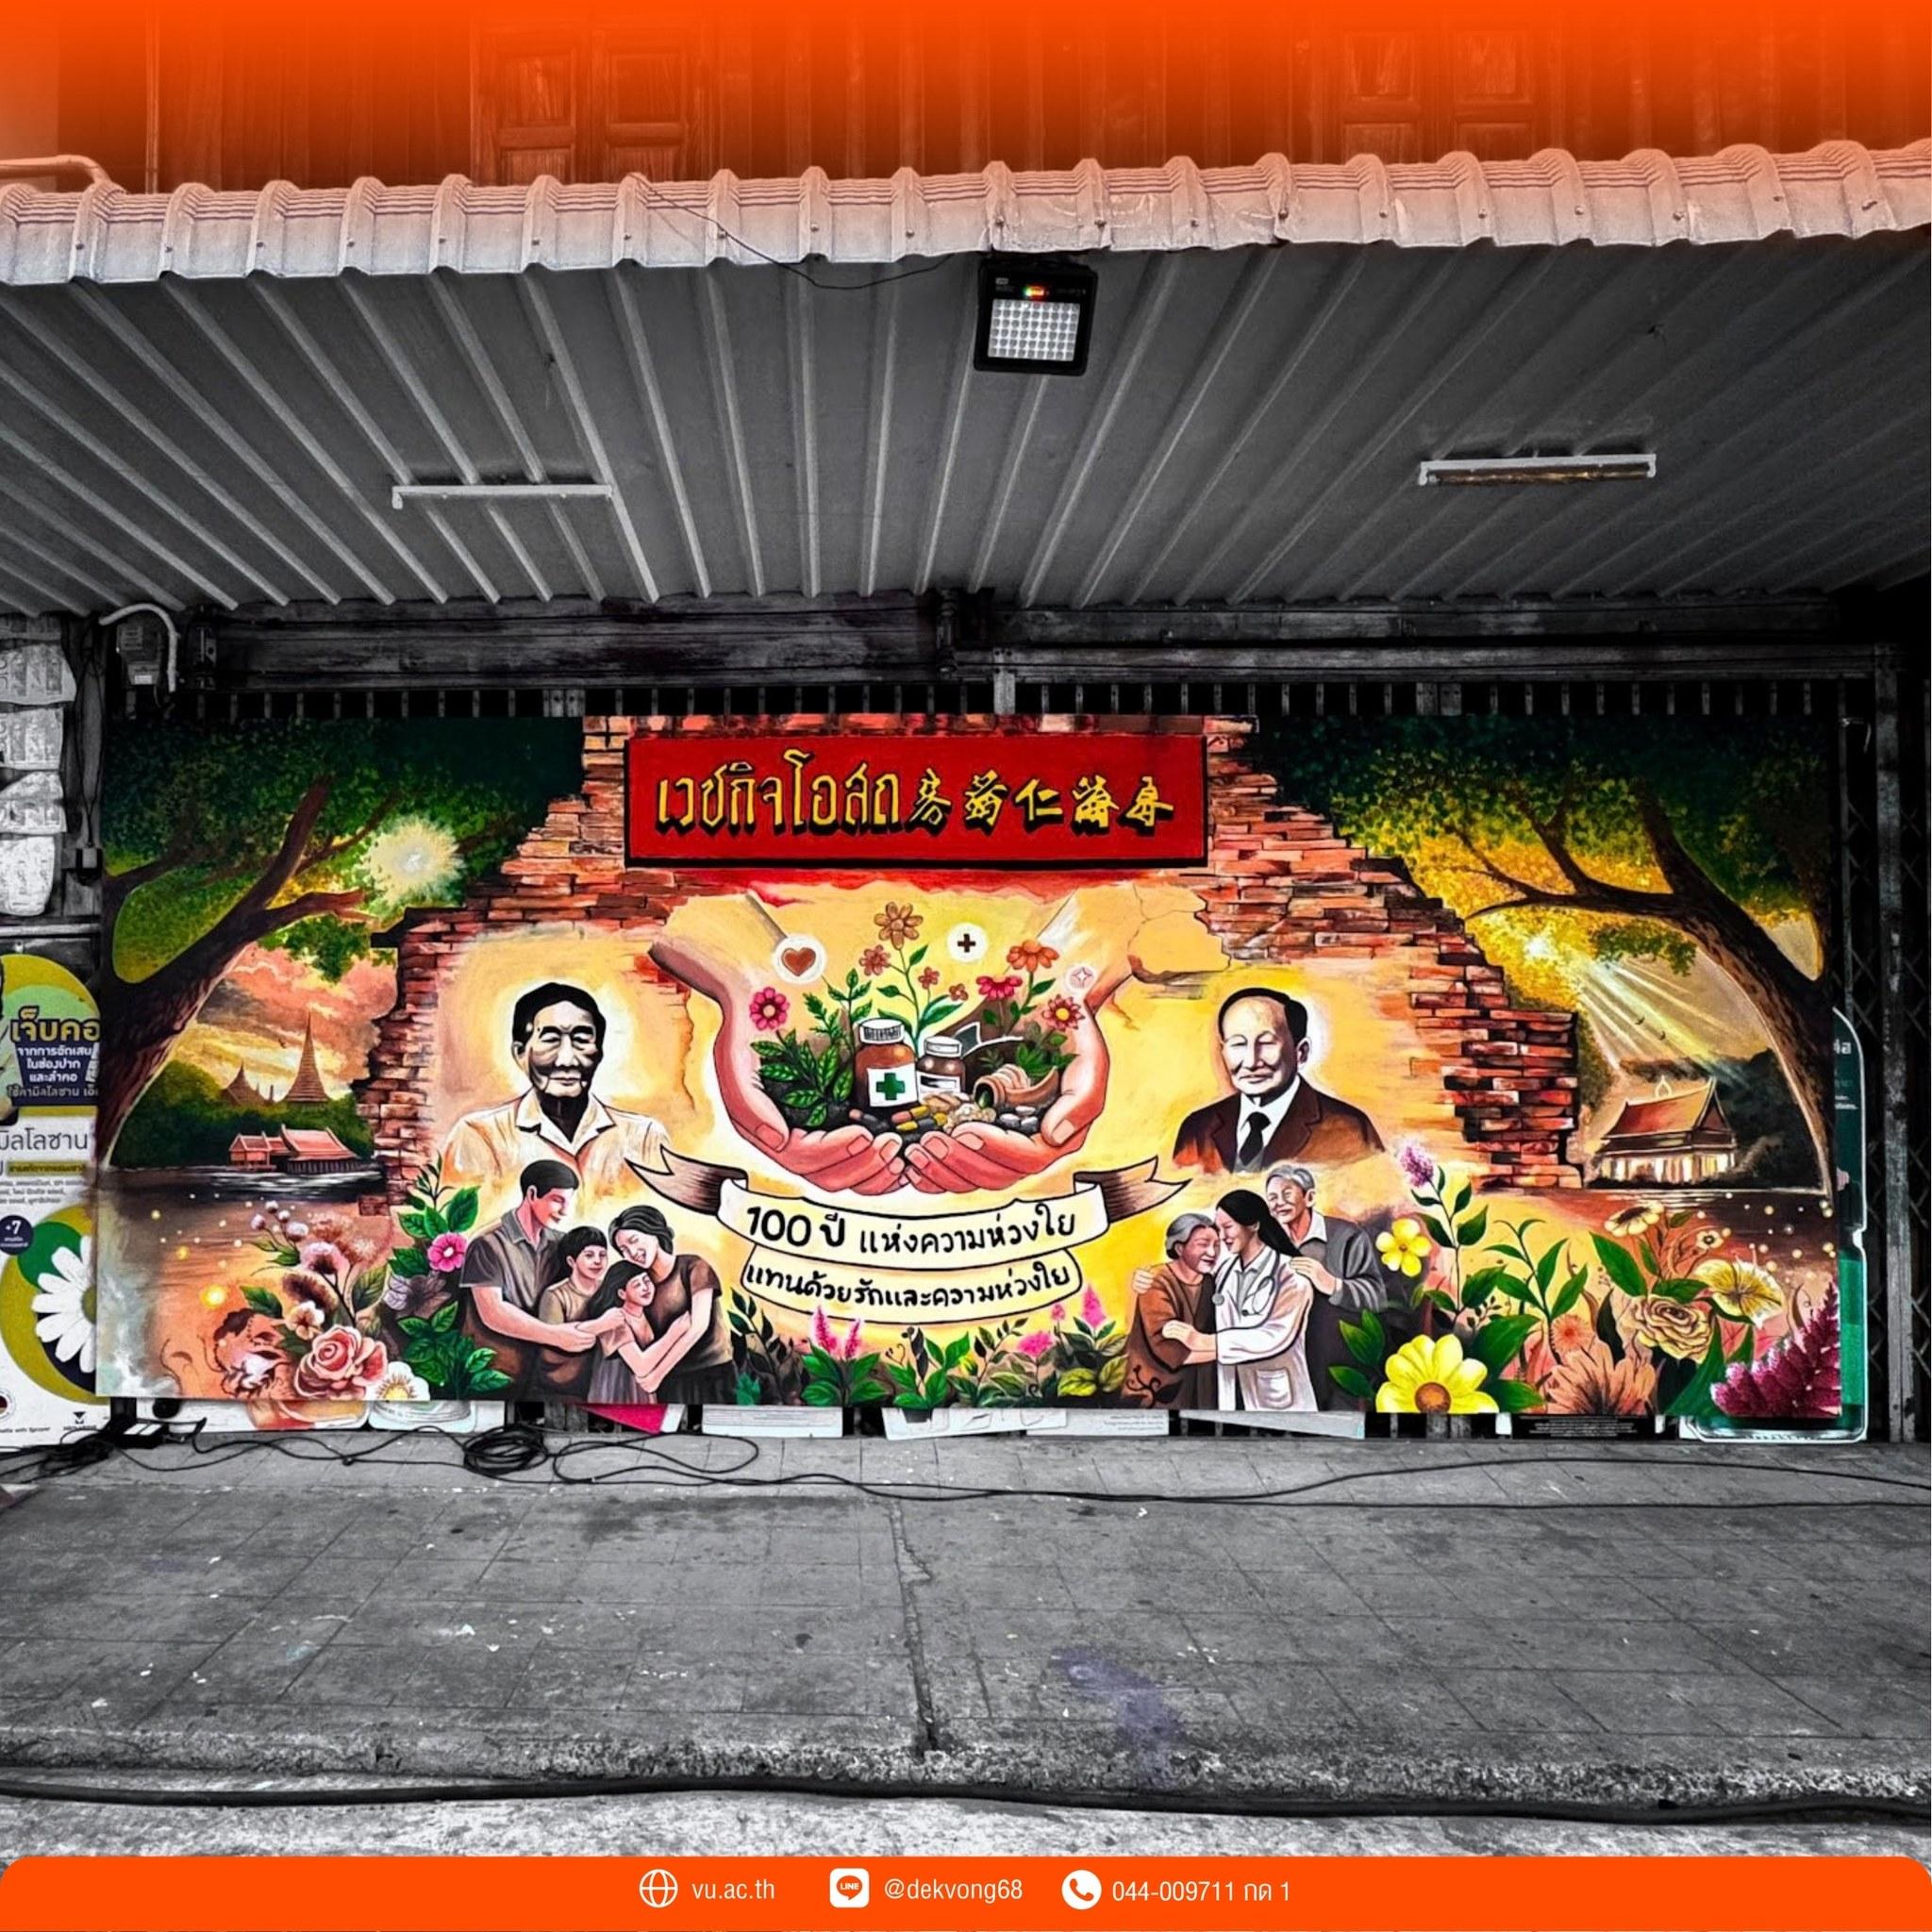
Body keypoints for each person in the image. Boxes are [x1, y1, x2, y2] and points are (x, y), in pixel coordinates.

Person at [441, 983, 666, 1215]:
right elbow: (465, 1230)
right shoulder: (480, 1136)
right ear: (520, 1053)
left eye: (581, 1039)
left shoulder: (644, 1139)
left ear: (599, 1052)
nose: (567, 1060)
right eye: (550, 1040)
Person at [1172, 987, 1382, 1174]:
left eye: (1266, 1043)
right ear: (1223, 1051)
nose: (1251, 1062)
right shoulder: (1198, 1129)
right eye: (1238, 1044)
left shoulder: (1349, 1129)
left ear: (1301, 1052)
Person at [456, 1158, 606, 1392]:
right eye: (557, 1200)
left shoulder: (560, 1243)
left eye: (568, 1202)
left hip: (545, 1377)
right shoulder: (487, 1244)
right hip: (493, 1373)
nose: (565, 1211)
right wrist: (555, 1335)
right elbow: (493, 1312)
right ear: (532, 1194)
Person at [1162, 1189, 1315, 1411]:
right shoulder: (1224, 1271)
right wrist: (1151, 1278)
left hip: (1279, 1399)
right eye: (1219, 1229)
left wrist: (1205, 1342)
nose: (1223, 1237)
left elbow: (1275, 1336)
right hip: (1232, 1391)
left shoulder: (1290, 1274)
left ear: (1254, 1225)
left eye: (1228, 1227)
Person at [1262, 1164, 1388, 1411]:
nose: (1279, 1203)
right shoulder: (1269, 1243)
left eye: (1287, 1194)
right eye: (1272, 1198)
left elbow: (1377, 1298)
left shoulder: (1347, 1236)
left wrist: (1332, 1284)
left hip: (1339, 1362)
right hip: (1287, 1362)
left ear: (1309, 1197)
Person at [599, 1204, 735, 1407]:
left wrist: (656, 1376)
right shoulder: (639, 1285)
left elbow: (698, 1326)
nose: (632, 1252)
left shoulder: (694, 1266)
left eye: (634, 1241)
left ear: (654, 1232)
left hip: (713, 1374)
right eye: (624, 1250)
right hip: (671, 1382)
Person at [1123, 1213, 1221, 1409]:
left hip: (1202, 1393)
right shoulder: (1156, 1281)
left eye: (1217, 1245)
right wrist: (1235, 1350)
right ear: (1179, 1248)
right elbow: (1169, 1351)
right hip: (1157, 1395)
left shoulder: (1211, 1283)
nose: (1212, 1252)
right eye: (1203, 1244)